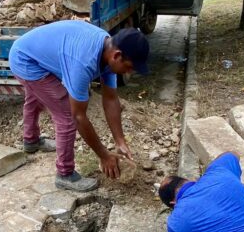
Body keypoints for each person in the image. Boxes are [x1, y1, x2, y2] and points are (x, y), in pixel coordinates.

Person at [9, 20, 149, 192]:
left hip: (33, 52)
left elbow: (111, 99)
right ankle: (65, 174)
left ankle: (31, 141)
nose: (129, 73)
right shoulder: (84, 62)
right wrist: (103, 155)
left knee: (36, 97)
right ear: (117, 56)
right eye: (128, 68)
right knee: (66, 115)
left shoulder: (107, 51)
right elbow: (78, 117)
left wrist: (119, 140)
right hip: (25, 60)